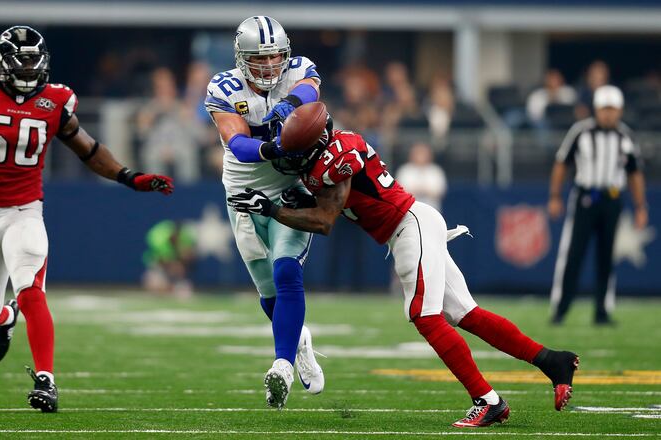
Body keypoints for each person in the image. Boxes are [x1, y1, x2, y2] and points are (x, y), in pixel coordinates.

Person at [227, 104, 579, 428]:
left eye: (294, 150)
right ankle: (553, 361)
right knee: (466, 314)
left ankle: (487, 400)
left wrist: (272, 209)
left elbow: (325, 221)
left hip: (409, 225)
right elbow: (334, 200)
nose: (288, 157)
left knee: (424, 316)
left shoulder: (334, 160)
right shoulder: (329, 152)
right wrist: (299, 199)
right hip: (410, 226)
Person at [0, 26, 174, 413]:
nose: (29, 69)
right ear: (3, 63)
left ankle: (46, 381)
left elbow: (89, 150)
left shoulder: (54, 101)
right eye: (21, 62)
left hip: (24, 212)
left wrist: (128, 177)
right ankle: (6, 318)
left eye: (34, 61)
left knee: (31, 290)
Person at [204, 16, 324, 409]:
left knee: (286, 271)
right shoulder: (225, 87)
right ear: (242, 58)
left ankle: (282, 366)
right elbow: (237, 143)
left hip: (289, 188)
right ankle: (299, 339)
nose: (270, 65)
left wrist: (290, 106)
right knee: (267, 290)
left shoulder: (299, 69)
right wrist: (274, 148)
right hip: (242, 192)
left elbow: (309, 89)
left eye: (275, 57)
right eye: (260, 58)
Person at [547, 85, 648, 326]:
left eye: (613, 109)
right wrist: (555, 196)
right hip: (585, 198)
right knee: (573, 254)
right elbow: (561, 163)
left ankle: (602, 311)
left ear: (620, 110)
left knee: (606, 256)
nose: (608, 114)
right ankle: (561, 309)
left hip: (612, 198)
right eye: (605, 109)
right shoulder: (580, 132)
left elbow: (634, 173)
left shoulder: (625, 136)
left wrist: (640, 206)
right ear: (596, 109)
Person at [395, 142, 447, 211]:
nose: (420, 156)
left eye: (423, 154)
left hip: (432, 209)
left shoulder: (436, 171)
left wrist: (423, 190)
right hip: (409, 211)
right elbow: (400, 192)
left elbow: (440, 191)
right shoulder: (404, 170)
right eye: (418, 153)